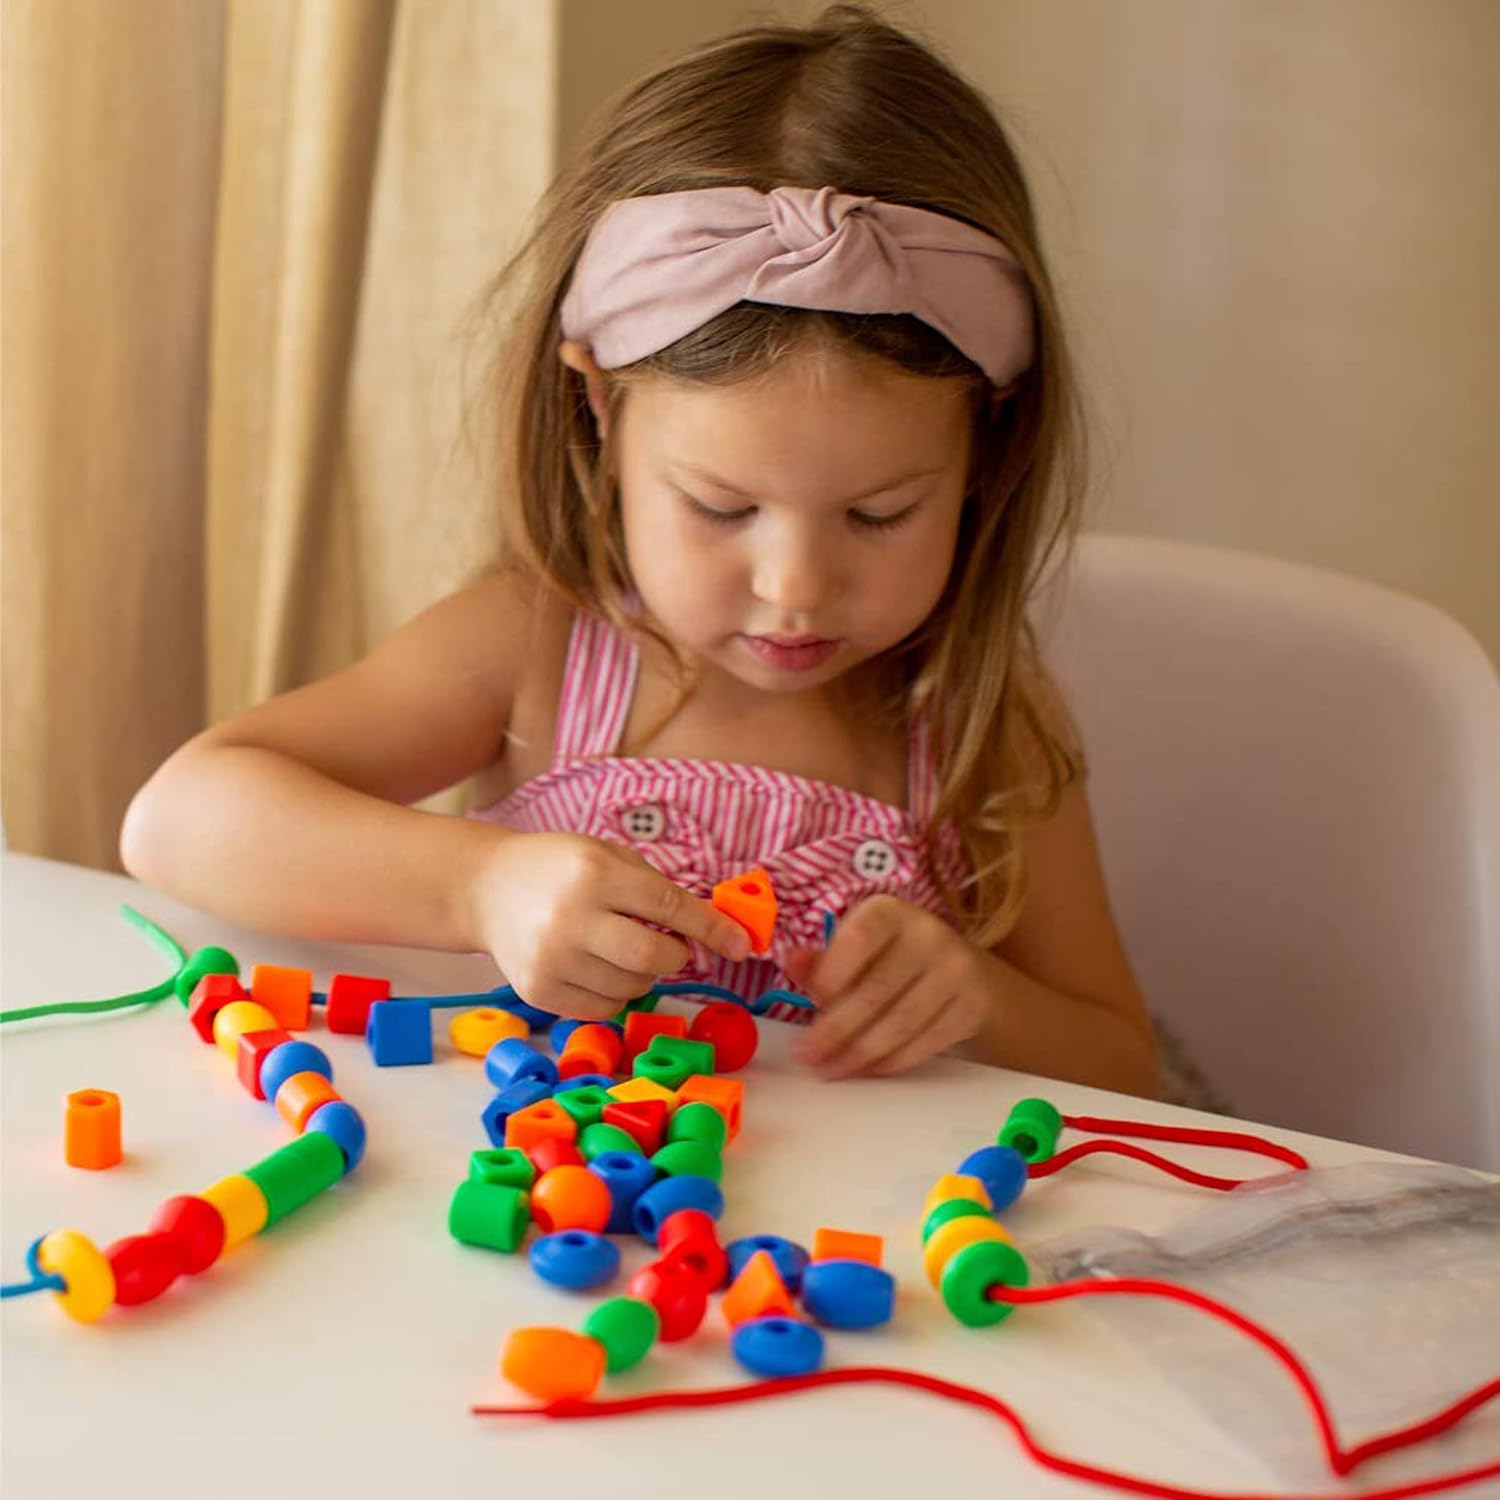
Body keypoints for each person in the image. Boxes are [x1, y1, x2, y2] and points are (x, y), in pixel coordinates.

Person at [121, 5, 1159, 1095]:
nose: (796, 588)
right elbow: (179, 817)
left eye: (879, 514)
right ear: (601, 409)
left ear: (989, 443)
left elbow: (1124, 1064)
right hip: (551, 1192)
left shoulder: (984, 722)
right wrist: (480, 887)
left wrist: (982, 1002)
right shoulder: (534, 646)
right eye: (721, 506)